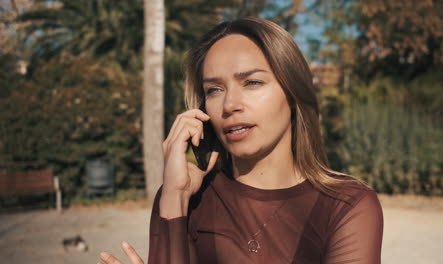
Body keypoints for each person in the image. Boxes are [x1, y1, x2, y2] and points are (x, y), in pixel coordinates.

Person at [98, 17, 384, 264]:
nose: (230, 105)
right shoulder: (181, 197)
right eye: (214, 89)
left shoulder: (346, 205)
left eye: (252, 83)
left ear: (293, 93)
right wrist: (176, 198)